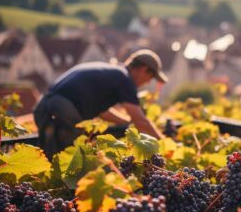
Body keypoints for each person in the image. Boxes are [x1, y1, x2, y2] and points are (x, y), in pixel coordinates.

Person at [34, 49, 167, 159]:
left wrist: (126, 122)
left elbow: (103, 112)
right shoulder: (125, 79)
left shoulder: (114, 73)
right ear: (144, 69)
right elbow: (141, 121)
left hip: (44, 105)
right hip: (63, 109)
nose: (148, 82)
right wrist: (163, 144)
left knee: (52, 156)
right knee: (72, 160)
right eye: (151, 77)